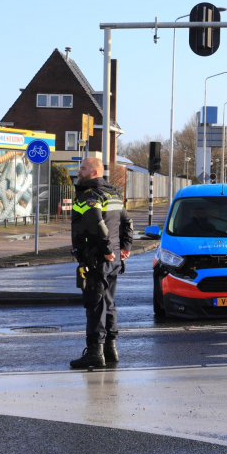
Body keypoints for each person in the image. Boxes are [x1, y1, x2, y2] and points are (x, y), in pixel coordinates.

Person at [70, 158, 133, 369]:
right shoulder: (113, 195)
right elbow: (127, 221)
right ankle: (110, 350)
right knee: (109, 303)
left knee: (95, 305)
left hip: (96, 259)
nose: (79, 171)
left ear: (94, 172)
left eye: (83, 168)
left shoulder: (89, 195)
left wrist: (106, 250)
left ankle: (95, 352)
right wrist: (124, 247)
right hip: (113, 261)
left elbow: (97, 223)